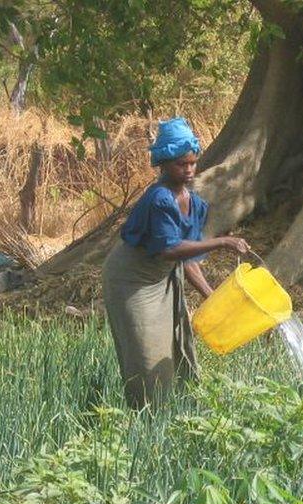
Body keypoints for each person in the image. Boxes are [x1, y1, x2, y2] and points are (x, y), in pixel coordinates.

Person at [102, 118, 249, 409]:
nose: (190, 170)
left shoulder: (194, 203)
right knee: (146, 355)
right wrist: (222, 242)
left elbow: (187, 259)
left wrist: (212, 296)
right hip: (131, 280)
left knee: (173, 349)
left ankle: (171, 411)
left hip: (161, 277)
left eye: (193, 163)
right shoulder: (159, 199)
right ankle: (145, 416)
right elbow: (169, 249)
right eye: (182, 164)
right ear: (164, 164)